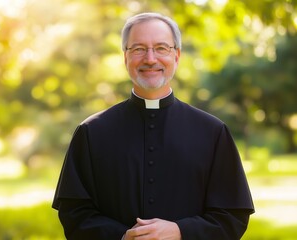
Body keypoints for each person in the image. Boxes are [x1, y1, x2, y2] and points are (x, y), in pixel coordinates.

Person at [52, 12, 254, 240]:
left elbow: (232, 215)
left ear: (176, 56)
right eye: (138, 49)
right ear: (125, 57)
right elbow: (74, 213)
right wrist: (122, 236)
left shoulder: (213, 132)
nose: (150, 59)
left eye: (161, 48)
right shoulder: (91, 132)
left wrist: (181, 231)